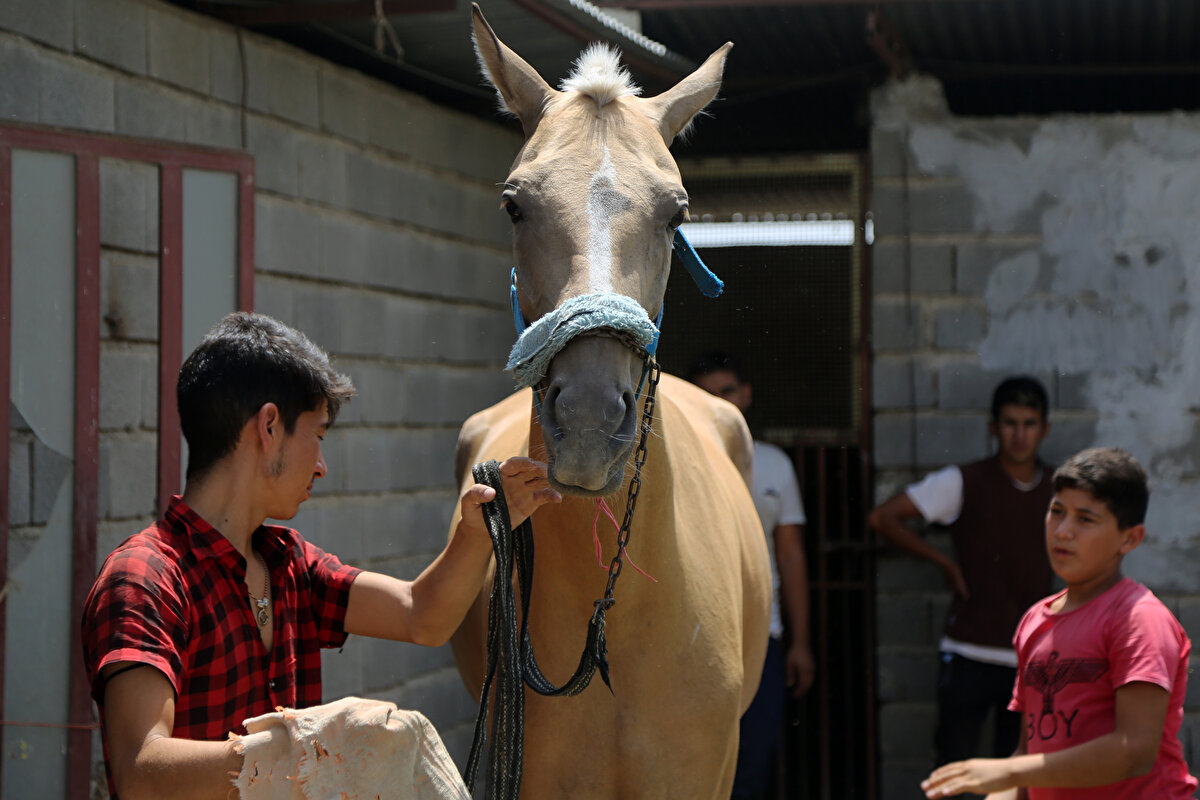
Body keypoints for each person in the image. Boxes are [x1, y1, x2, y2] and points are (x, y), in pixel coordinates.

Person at [81, 312, 561, 800]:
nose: (323, 466)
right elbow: (140, 770)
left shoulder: (288, 563)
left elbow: (423, 616)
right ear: (269, 426)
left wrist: (477, 534)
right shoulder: (143, 577)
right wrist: (308, 744)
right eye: (319, 435)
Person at [921, 447, 1198, 799]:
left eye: (1085, 519)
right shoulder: (1035, 621)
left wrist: (1005, 771)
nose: (1063, 531)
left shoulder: (1138, 618)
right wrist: (1002, 784)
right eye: (1056, 512)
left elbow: (1135, 751)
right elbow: (1030, 756)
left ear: (1130, 538)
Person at [867, 376, 1055, 767]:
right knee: (954, 766)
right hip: (968, 649)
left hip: (1029, 657)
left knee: (1019, 772)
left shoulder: (1060, 491)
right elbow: (883, 518)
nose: (1019, 435)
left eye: (1029, 423)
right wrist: (944, 563)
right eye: (1009, 423)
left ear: (1044, 429)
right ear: (993, 427)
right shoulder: (964, 482)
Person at [687, 351, 815, 800]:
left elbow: (791, 556)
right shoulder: (674, 466)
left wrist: (800, 642)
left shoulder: (776, 464)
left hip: (762, 635)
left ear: (745, 395)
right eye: (706, 395)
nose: (719, 404)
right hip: (690, 639)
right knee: (690, 765)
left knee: (751, 764)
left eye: (726, 392)